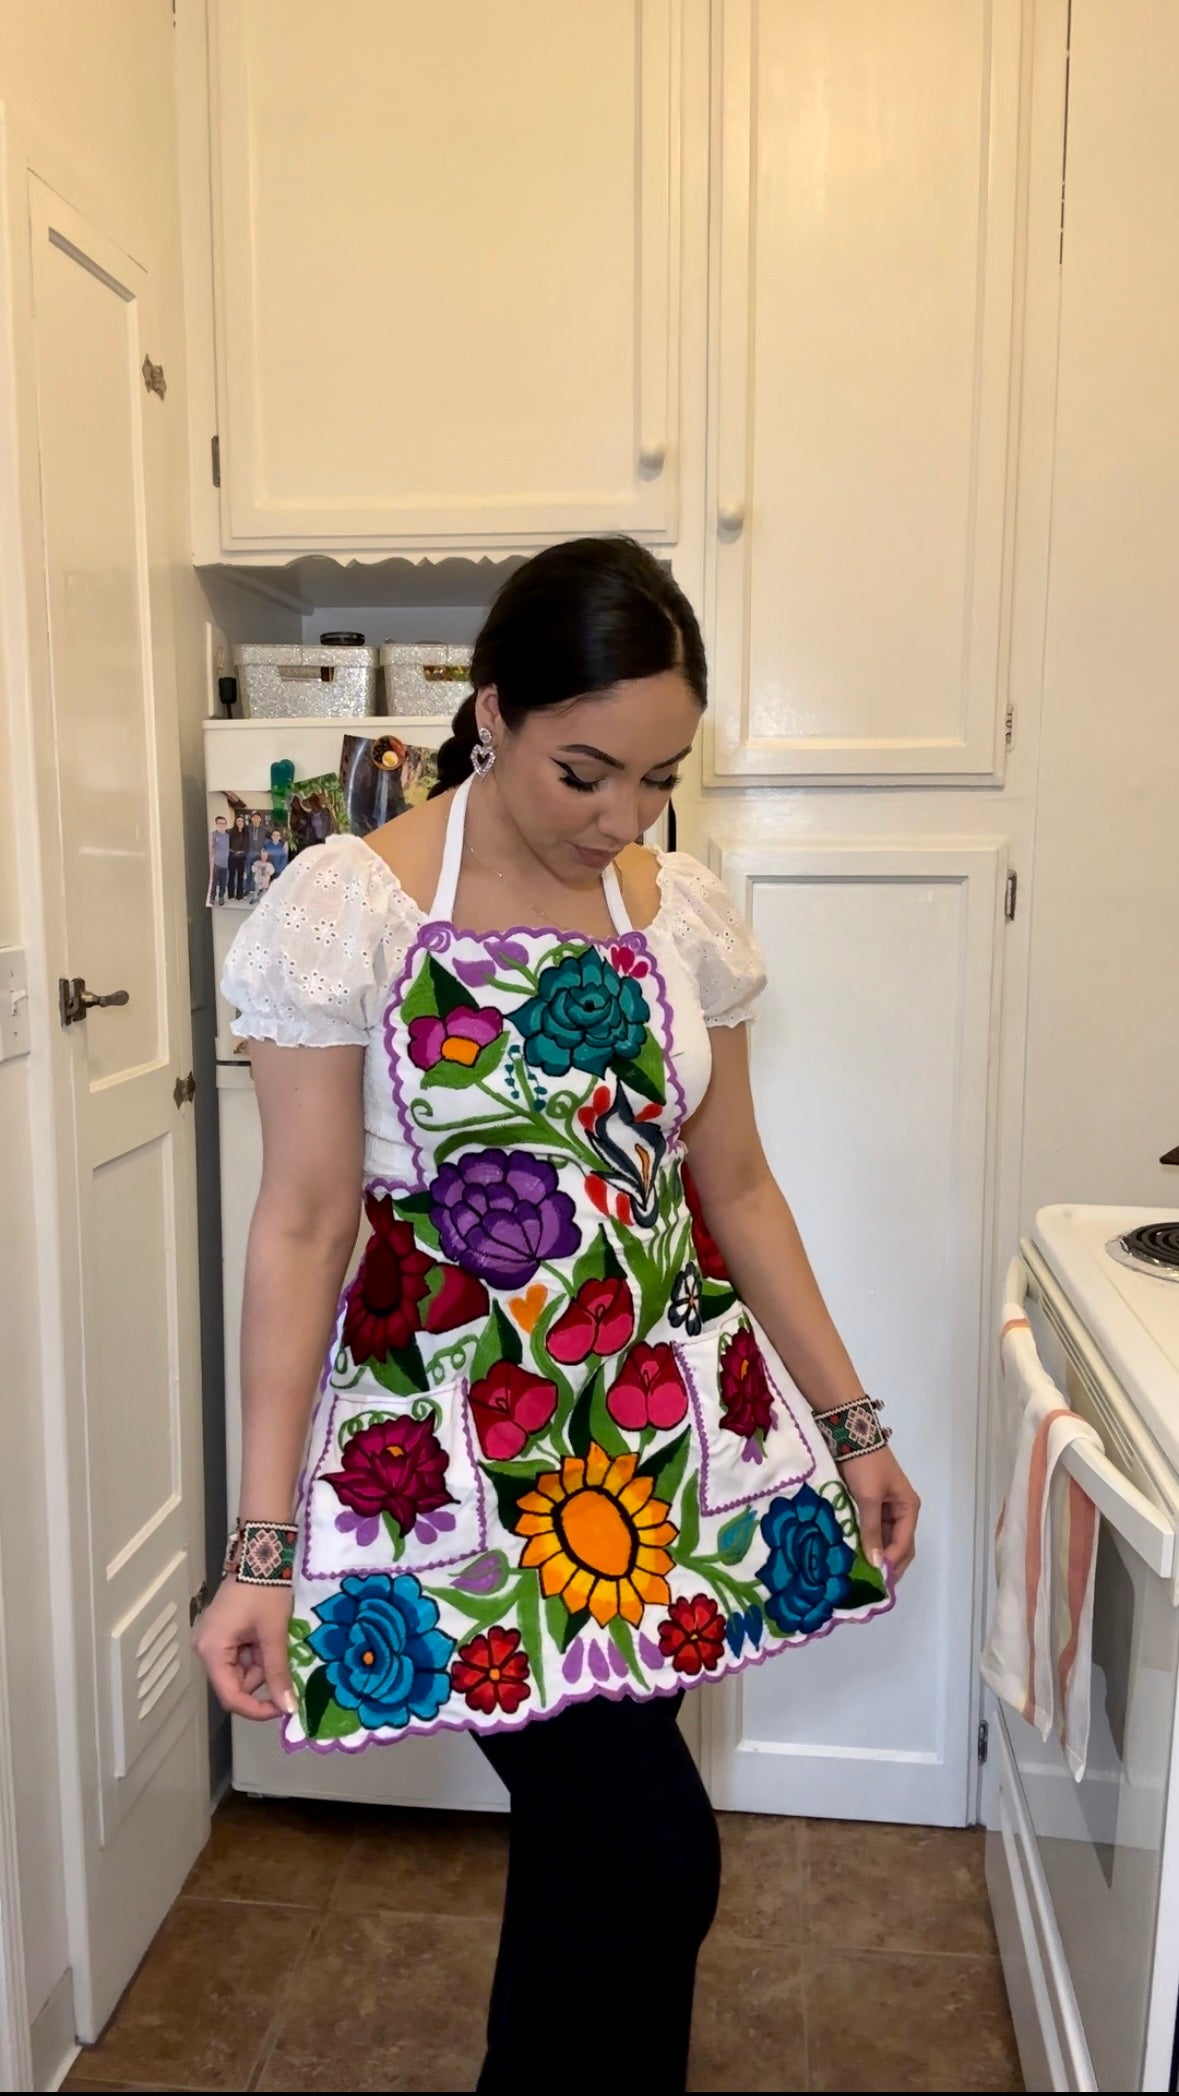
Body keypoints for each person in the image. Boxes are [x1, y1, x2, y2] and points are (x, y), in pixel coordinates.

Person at [198, 538, 920, 2093]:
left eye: (657, 778)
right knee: (653, 1857)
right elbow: (303, 1224)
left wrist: (850, 1421)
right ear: (494, 707)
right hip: (455, 1483)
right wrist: (257, 1552)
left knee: (594, 1874)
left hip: (648, 1463)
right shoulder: (352, 908)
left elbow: (737, 1190)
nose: (620, 819)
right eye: (585, 770)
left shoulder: (678, 917)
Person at [226, 811, 249, 901]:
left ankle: (239, 896)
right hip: (232, 857)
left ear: (244, 823)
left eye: (242, 821)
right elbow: (227, 844)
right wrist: (233, 852)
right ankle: (231, 895)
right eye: (238, 821)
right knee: (231, 876)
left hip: (241, 858)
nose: (240, 823)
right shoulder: (230, 832)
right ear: (236, 822)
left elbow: (247, 846)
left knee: (240, 876)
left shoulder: (246, 833)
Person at [208, 814, 230, 904]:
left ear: (226, 824)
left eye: (223, 823)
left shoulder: (228, 836)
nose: (221, 825)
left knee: (223, 883)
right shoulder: (213, 835)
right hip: (216, 863)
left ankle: (221, 897)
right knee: (214, 882)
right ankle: (212, 897)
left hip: (225, 864)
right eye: (219, 823)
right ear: (216, 824)